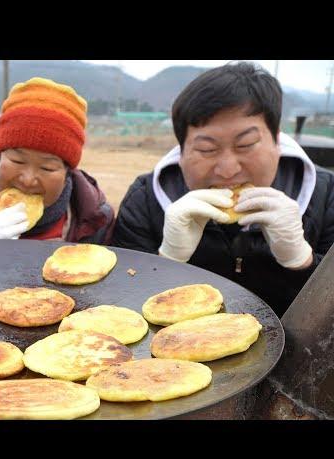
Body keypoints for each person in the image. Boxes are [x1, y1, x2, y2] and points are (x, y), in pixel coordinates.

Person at [112, 61, 334, 317]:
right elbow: (121, 309)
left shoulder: (325, 194)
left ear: (277, 142)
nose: (228, 169)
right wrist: (165, 261)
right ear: (181, 151)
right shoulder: (144, 199)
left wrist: (303, 263)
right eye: (207, 149)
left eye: (246, 144)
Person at [0, 77, 114, 243]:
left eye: (47, 168)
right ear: (0, 156)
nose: (28, 179)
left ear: (67, 172)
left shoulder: (94, 218)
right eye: (18, 161)